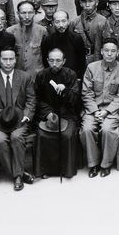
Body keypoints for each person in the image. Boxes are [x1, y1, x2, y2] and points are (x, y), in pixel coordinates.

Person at [0, 46, 36, 191]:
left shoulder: (25, 77)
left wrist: (26, 115)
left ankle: (17, 176)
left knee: (16, 137)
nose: (8, 62)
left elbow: (31, 100)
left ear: (15, 60)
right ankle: (19, 174)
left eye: (11, 59)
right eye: (4, 59)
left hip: (20, 120)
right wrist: (5, 117)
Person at [80, 38, 119, 178]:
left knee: (108, 129)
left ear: (118, 53)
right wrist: (95, 111)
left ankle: (106, 164)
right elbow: (86, 92)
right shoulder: (91, 68)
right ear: (101, 51)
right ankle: (93, 163)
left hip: (112, 110)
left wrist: (106, 111)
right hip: (92, 109)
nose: (109, 54)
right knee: (86, 129)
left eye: (113, 51)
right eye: (106, 50)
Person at [33, 48, 80, 179]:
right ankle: (45, 170)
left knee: (67, 134)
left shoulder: (71, 75)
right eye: (52, 60)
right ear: (47, 61)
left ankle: (66, 170)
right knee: (42, 134)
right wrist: (48, 113)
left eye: (58, 60)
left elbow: (75, 99)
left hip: (67, 114)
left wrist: (65, 90)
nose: (55, 64)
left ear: (64, 61)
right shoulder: (41, 75)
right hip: (47, 114)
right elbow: (37, 99)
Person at [41, 11, 87, 80]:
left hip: (73, 77)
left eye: (63, 21)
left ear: (68, 22)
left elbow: (82, 61)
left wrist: (79, 77)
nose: (61, 25)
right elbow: (45, 61)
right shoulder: (48, 40)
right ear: (53, 23)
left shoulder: (76, 38)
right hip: (54, 77)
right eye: (57, 22)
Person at [7, 1, 48, 75]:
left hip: (37, 75)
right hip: (17, 75)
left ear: (34, 13)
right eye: (23, 13)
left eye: (30, 13)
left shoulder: (42, 31)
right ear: (18, 13)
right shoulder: (10, 32)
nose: (27, 17)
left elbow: (46, 55)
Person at [71, 0, 107, 65]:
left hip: (97, 59)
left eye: (91, 1)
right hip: (79, 59)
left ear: (96, 2)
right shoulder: (75, 22)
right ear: (80, 3)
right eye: (84, 2)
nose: (87, 5)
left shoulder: (103, 21)